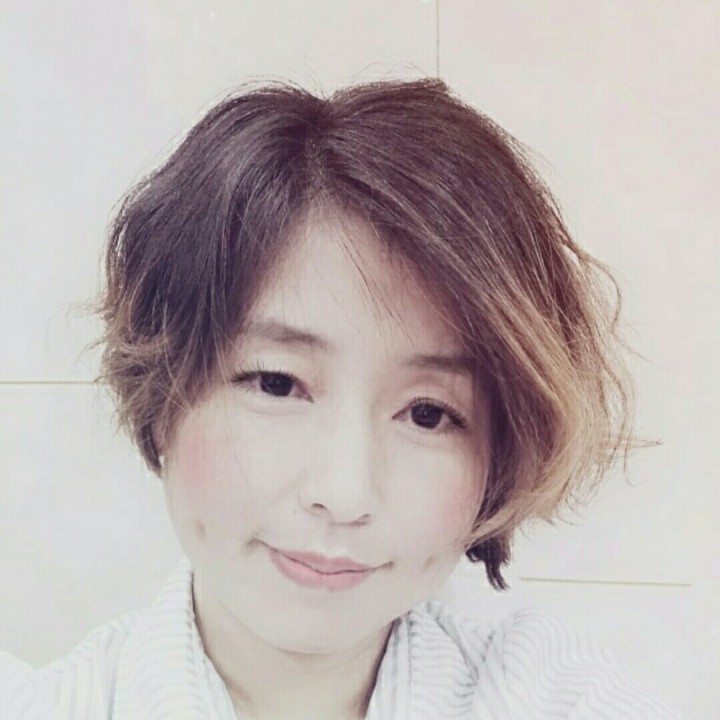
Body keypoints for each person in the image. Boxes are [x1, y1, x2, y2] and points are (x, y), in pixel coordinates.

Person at [0, 78, 683, 719]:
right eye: (277, 383)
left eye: (427, 414)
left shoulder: (560, 697)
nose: (345, 492)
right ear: (163, 392)